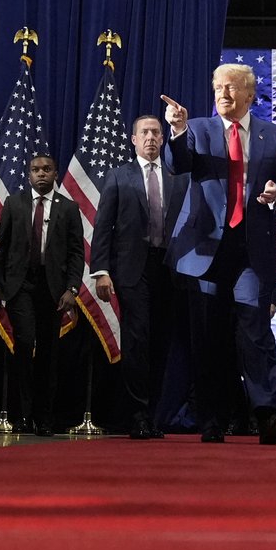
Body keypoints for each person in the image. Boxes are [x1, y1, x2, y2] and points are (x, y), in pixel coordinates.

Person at [162, 63, 276, 445]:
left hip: (251, 249)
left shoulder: (274, 135)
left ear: (250, 94)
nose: (223, 94)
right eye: (218, 87)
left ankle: (269, 414)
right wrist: (176, 130)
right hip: (204, 249)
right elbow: (179, 164)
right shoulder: (199, 130)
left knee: (254, 329)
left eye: (232, 88)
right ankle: (211, 420)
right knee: (208, 337)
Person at [90, 115, 188, 440]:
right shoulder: (119, 177)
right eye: (144, 132)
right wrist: (101, 271)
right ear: (133, 139)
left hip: (168, 270)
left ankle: (154, 415)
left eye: (156, 132)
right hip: (132, 269)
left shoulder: (177, 179)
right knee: (137, 339)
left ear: (163, 139)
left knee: (160, 342)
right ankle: (137, 415)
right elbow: (103, 227)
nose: (150, 137)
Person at [0, 155, 85, 436]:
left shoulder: (69, 208)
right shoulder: (14, 204)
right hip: (21, 286)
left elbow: (77, 253)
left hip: (53, 289)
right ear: (28, 174)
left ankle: (45, 418)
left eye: (46, 169)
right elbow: (1, 248)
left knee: (48, 352)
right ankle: (23, 415)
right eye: (35, 170)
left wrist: (72, 289)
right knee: (24, 342)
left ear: (55, 173)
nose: (41, 174)